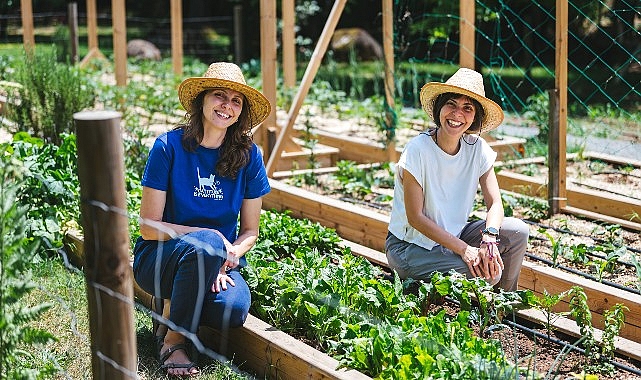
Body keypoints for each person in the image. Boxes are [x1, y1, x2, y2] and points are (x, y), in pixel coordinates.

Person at [132, 62, 272, 377]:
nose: (228, 105)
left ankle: (169, 307)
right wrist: (209, 241)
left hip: (219, 261)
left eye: (236, 100)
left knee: (232, 309)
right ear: (202, 100)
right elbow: (148, 228)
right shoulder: (168, 147)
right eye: (219, 95)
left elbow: (250, 231)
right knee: (206, 242)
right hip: (159, 257)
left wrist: (229, 254)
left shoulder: (249, 156)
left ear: (242, 111)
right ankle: (173, 340)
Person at [385, 68, 529, 292]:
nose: (457, 114)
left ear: (475, 117)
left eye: (467, 108)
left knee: (518, 232)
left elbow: (496, 204)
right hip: (410, 248)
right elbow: (415, 218)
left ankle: (503, 308)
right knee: (489, 274)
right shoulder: (418, 150)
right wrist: (464, 249)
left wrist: (489, 238)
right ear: (439, 108)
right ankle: (484, 305)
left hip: (454, 236)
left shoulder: (477, 149)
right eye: (451, 104)